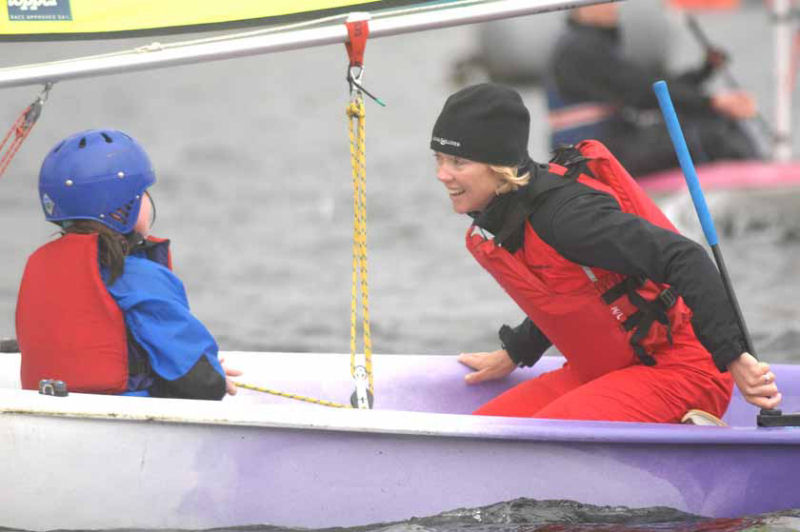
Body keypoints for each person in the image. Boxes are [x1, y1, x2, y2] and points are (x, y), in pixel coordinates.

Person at [430, 83, 781, 422]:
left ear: (498, 165)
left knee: (537, 443)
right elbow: (571, 293)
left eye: (458, 162)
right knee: (486, 428)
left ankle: (689, 429)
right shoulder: (513, 211)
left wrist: (734, 358)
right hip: (610, 368)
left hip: (681, 370)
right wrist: (516, 352)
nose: (442, 174)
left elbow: (685, 258)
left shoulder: (569, 218)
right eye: (440, 159)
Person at [16, 128, 240, 399]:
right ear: (122, 205)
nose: (148, 200)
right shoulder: (139, 277)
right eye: (143, 192)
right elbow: (198, 381)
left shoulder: (43, 268)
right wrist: (213, 375)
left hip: (53, 409)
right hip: (127, 416)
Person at [546, 3, 760, 178]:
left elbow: (650, 86)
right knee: (712, 135)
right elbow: (643, 92)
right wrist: (712, 102)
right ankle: (754, 183)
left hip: (608, 143)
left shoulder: (589, 45)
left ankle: (753, 176)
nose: (613, 7)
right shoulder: (581, 47)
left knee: (705, 120)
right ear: (581, 8)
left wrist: (702, 72)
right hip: (593, 154)